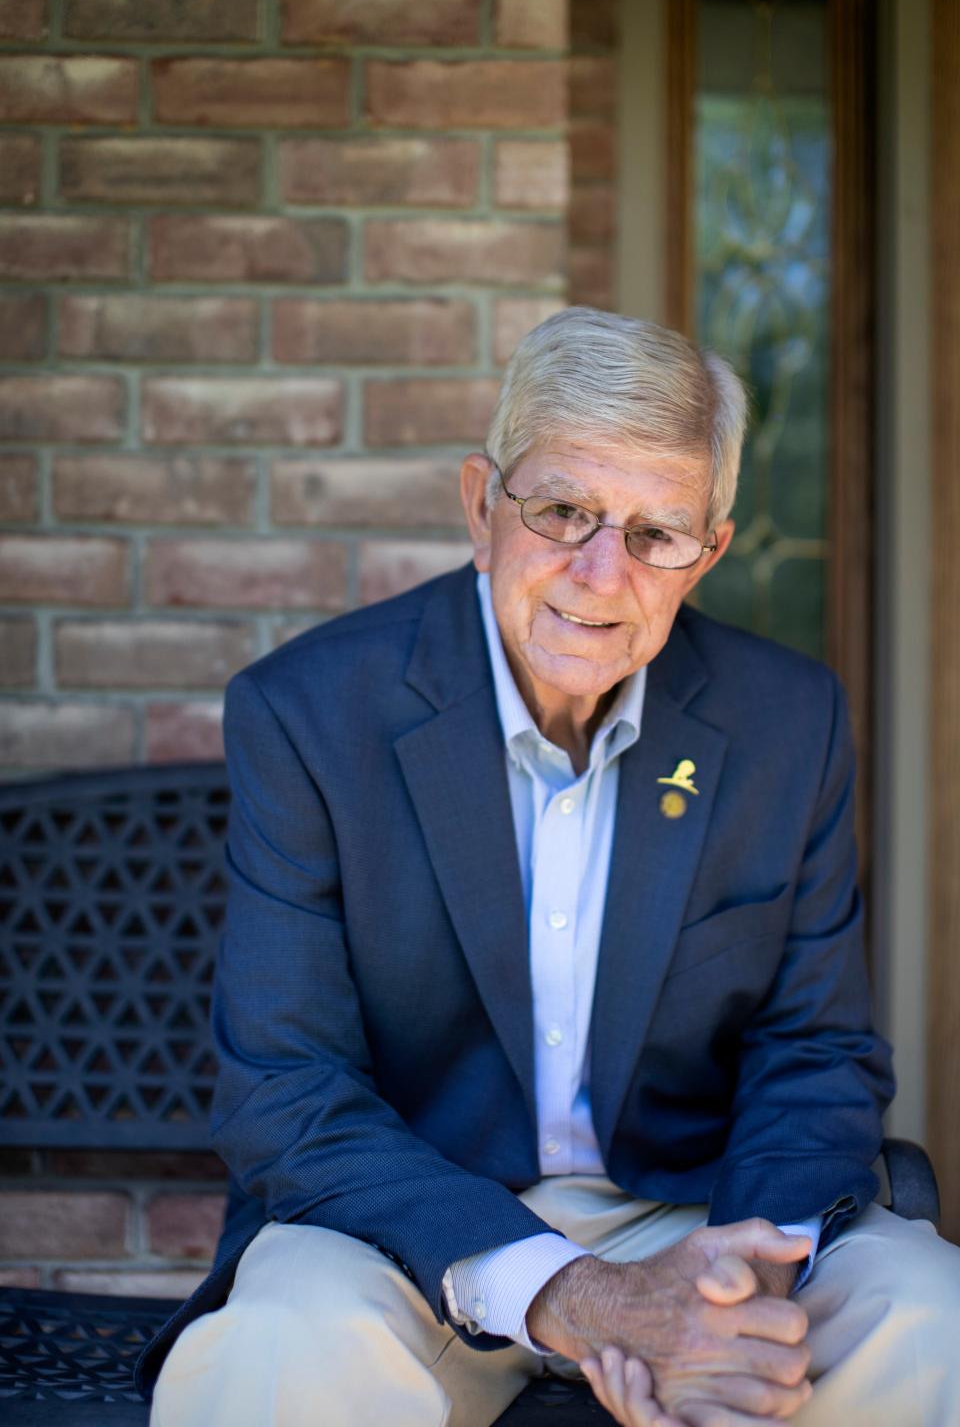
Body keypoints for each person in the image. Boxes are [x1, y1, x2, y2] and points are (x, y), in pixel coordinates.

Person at [139, 308, 960, 1427]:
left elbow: (814, 1049)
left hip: (696, 1217)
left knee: (929, 1318)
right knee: (281, 1353)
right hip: (410, 1231)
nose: (601, 570)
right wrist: (577, 1297)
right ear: (482, 508)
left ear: (708, 552)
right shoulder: (311, 715)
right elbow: (286, 1088)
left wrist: (736, 1295)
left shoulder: (787, 721)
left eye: (655, 532)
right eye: (563, 509)